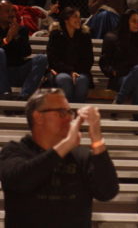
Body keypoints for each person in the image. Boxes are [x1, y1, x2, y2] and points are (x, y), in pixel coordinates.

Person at [0, 88, 119, 227]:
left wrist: (97, 138)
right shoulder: (14, 151)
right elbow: (19, 181)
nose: (69, 118)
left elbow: (107, 192)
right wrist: (66, 144)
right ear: (38, 117)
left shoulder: (81, 156)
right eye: (62, 113)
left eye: (70, 112)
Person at [99, 9, 138, 121]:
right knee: (137, 85)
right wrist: (111, 71)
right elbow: (104, 62)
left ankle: (119, 100)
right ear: (125, 21)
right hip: (120, 78)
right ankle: (137, 119)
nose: (137, 24)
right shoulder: (112, 37)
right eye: (134, 21)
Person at [0, 0, 48, 100]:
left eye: (12, 11)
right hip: (2, 73)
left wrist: (16, 36)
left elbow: (26, 52)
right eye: (7, 11)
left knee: (42, 58)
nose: (11, 14)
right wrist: (8, 39)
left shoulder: (21, 30)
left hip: (19, 70)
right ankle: (5, 94)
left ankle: (24, 96)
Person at [47, 7, 94, 103]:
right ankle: (66, 111)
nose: (78, 20)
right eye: (75, 17)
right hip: (60, 71)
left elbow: (89, 59)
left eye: (79, 17)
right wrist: (70, 71)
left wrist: (76, 71)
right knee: (64, 79)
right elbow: (53, 59)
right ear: (66, 20)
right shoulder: (56, 35)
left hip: (81, 71)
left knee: (82, 80)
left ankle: (77, 112)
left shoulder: (84, 36)